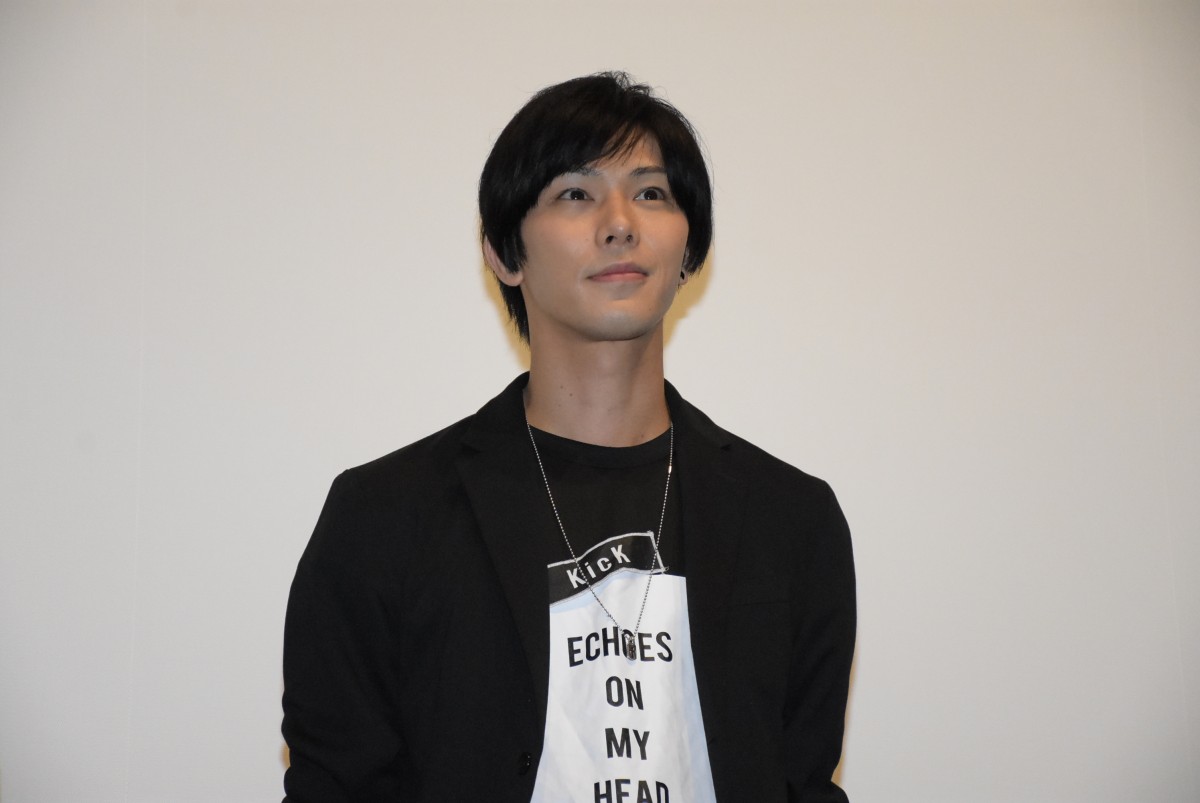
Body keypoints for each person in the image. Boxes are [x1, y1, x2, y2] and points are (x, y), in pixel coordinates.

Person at [281, 71, 856, 803]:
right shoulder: (385, 517)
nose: (620, 224)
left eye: (652, 193)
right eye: (576, 194)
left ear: (689, 248)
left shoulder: (793, 521)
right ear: (504, 253)